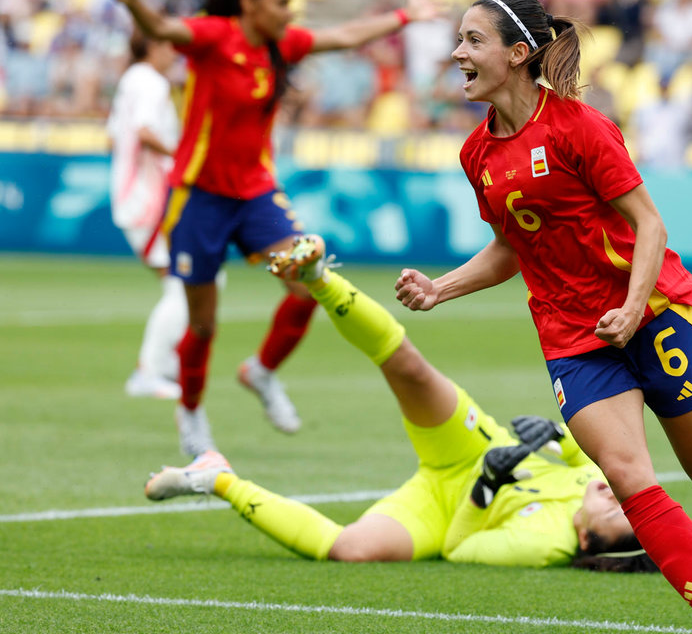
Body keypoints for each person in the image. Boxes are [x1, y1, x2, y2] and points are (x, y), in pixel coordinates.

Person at [394, 0, 692, 634]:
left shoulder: (580, 127)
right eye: (459, 40)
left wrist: (629, 310)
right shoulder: (476, 155)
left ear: (518, 54)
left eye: (472, 41)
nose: (457, 53)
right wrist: (440, 289)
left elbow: (648, 227)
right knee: (627, 476)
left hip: (654, 311)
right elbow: (512, 248)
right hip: (572, 336)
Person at [145, 235, 659, 573]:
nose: (618, 497)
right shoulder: (596, 480)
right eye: (627, 503)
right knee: (408, 366)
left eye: (616, 514)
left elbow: (459, 548)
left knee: (351, 550)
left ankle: (215, 477)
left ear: (588, 542)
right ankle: (320, 277)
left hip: (442, 510)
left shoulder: (545, 545)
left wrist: (484, 492)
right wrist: (552, 432)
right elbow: (579, 452)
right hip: (471, 445)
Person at [108, 0, 443, 456]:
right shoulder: (213, 36)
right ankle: (192, 413)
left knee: (308, 280)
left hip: (256, 195)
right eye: (281, 2)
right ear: (249, 4)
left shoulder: (281, 45)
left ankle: (262, 372)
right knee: (202, 323)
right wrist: (135, 2)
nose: (291, 12)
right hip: (199, 197)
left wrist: (404, 16)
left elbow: (346, 34)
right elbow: (160, 28)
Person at [106, 29, 186, 400]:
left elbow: (114, 135)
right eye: (170, 46)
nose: (175, 53)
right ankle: (150, 371)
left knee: (190, 281)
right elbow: (144, 131)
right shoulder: (151, 82)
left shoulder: (130, 80)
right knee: (184, 284)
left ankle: (164, 365)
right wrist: (181, 158)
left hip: (135, 194)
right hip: (149, 199)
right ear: (154, 45)